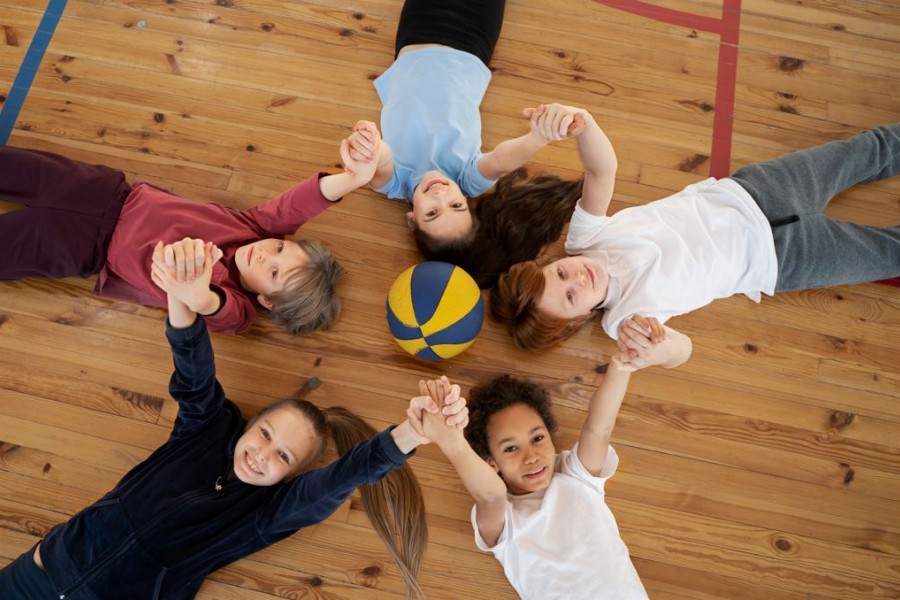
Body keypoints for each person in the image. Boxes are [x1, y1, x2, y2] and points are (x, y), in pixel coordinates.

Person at [0, 244, 469, 600]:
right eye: (264, 434)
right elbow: (194, 375)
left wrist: (410, 434)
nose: (262, 454)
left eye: (282, 456)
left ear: (292, 474)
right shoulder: (204, 432)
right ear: (248, 424)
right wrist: (183, 300)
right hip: (34, 578)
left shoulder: (265, 516)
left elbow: (337, 481)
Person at [490, 119, 900, 364]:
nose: (576, 278)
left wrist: (585, 126)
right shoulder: (625, 321)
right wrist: (660, 350)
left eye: (560, 273)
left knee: (869, 149)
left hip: (759, 191)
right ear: (578, 319)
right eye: (570, 297)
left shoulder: (587, 238)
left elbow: (601, 171)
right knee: (889, 254)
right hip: (782, 260)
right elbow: (682, 351)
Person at [0, 138, 377, 335]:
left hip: (86, 248)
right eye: (279, 248)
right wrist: (352, 178)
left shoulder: (239, 307)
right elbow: (296, 206)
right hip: (105, 192)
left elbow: (223, 314)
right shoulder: (254, 229)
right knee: (13, 166)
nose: (265, 255)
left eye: (275, 272)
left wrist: (200, 296)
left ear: (267, 301)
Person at [342, 0, 583, 288]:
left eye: (432, 212)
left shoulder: (396, 182)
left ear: (411, 219)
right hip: (472, 41)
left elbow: (380, 160)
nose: (441, 195)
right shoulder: (467, 179)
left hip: (418, 32)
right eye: (456, 205)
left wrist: (369, 148)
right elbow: (502, 161)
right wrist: (537, 138)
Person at [417, 318, 663, 599]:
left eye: (537, 439)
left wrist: (622, 365)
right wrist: (452, 442)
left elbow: (599, 427)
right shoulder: (506, 520)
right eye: (511, 448)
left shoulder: (577, 477)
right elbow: (490, 496)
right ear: (491, 462)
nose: (531, 457)